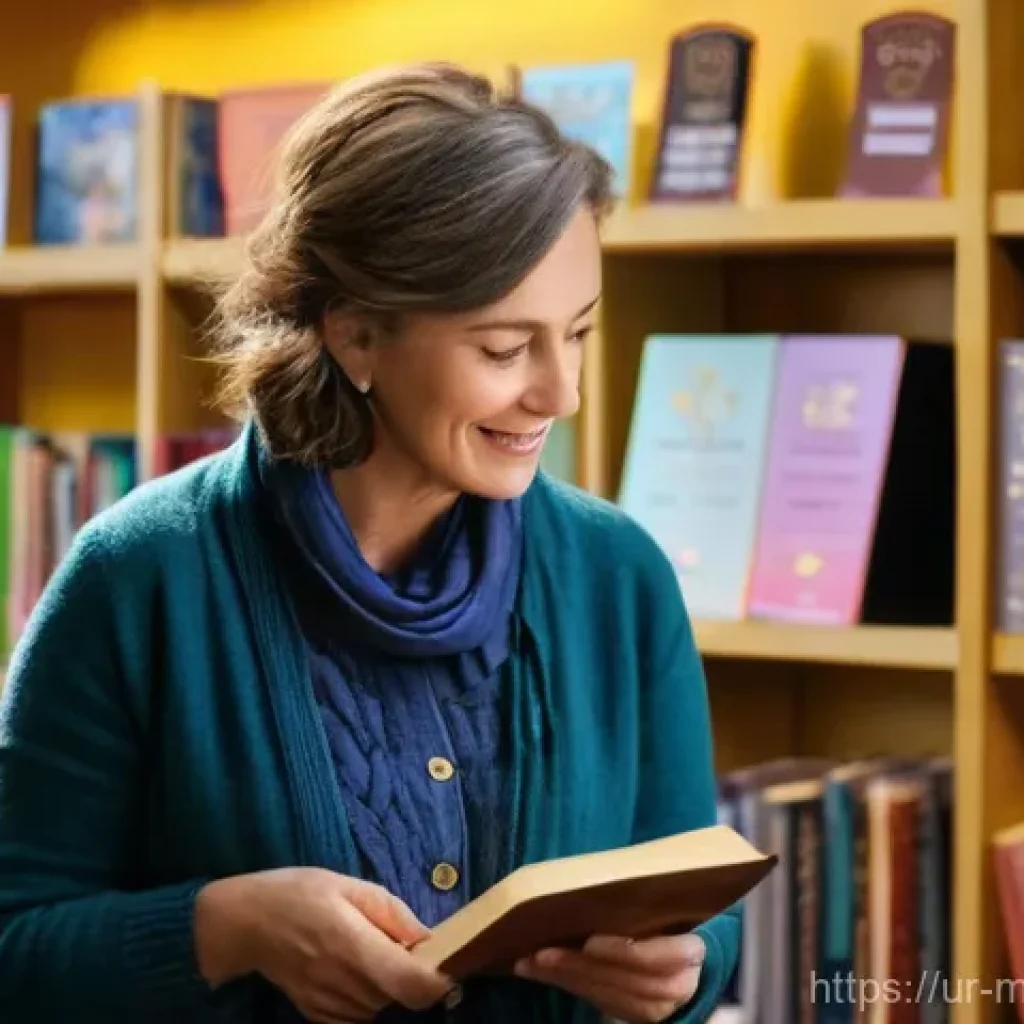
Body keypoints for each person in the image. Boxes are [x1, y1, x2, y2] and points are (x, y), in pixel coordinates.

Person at [0, 62, 740, 1024]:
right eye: (504, 348)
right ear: (355, 337)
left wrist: (687, 968)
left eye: (579, 333)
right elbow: (18, 948)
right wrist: (226, 928)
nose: (561, 393)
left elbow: (698, 898)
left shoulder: (619, 576)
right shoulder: (138, 576)